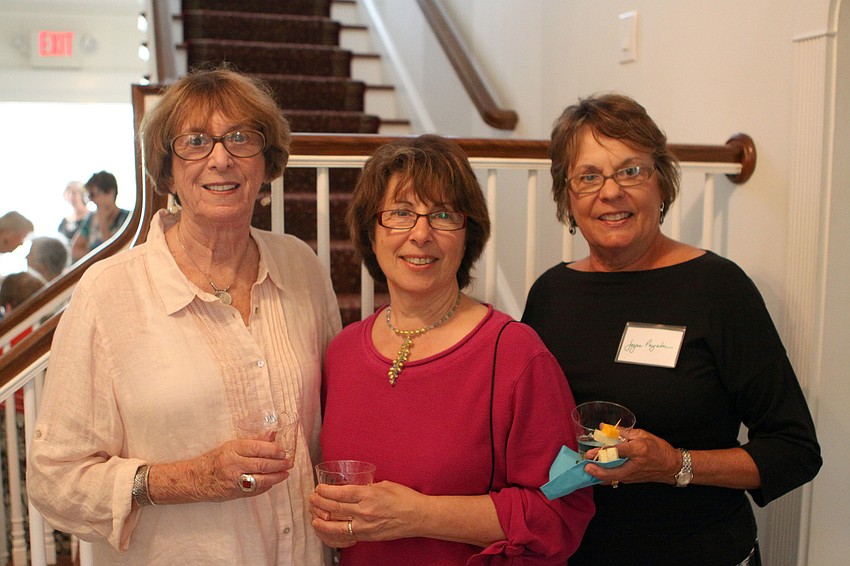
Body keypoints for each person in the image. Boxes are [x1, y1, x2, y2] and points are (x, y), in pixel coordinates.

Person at [27, 67, 342, 565]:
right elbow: (55, 479)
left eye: (241, 138)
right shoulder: (109, 293)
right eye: (196, 141)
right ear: (168, 171)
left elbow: (329, 430)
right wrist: (189, 479)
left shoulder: (300, 267)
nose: (221, 159)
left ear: (266, 163)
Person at [521, 93, 822, 566]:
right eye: (589, 177)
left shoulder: (718, 288)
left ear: (661, 182)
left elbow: (794, 450)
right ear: (567, 196)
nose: (611, 191)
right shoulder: (551, 293)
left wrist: (676, 465)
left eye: (631, 171)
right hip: (573, 553)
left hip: (699, 550)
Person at [309, 135, 594, 565]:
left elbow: (562, 509)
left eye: (442, 215)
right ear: (370, 233)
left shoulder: (516, 354)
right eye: (401, 213)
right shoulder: (342, 352)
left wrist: (419, 515)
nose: (421, 234)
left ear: (467, 236)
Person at [70, 171, 130, 262]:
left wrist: (103, 223)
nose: (91, 200)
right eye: (88, 196)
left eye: (92, 195)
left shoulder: (128, 219)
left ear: (110, 192)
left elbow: (114, 253)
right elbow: (75, 250)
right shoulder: (91, 218)